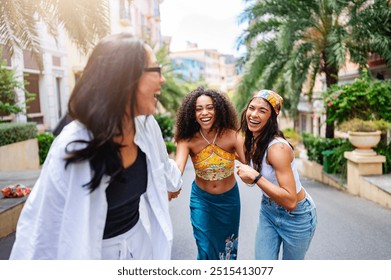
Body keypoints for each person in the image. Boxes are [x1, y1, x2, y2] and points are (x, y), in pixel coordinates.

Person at [9, 33, 182, 260]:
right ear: (126, 79)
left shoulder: (147, 127)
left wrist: (184, 153)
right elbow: (39, 232)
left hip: (140, 251)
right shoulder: (73, 145)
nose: (163, 80)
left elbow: (164, 170)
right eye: (156, 71)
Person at [236, 89, 317, 260]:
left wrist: (256, 177)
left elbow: (290, 201)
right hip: (269, 210)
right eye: (252, 108)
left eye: (262, 110)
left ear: (272, 117)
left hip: (297, 216)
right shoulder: (252, 142)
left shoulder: (277, 149)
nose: (254, 114)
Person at [173, 87, 245, 260]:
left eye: (210, 107)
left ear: (218, 109)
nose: (204, 113)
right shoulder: (187, 139)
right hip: (201, 201)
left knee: (227, 251)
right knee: (205, 248)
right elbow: (177, 169)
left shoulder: (232, 136)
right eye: (199, 109)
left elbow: (250, 162)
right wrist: (169, 184)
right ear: (192, 113)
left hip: (229, 202)